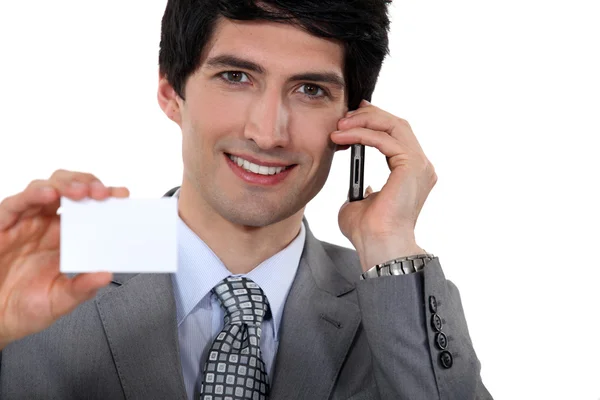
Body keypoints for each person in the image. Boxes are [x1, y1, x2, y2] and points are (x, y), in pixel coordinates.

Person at [0, 1, 492, 399]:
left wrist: (389, 241)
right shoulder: (51, 263)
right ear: (172, 93)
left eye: (311, 89)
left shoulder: (395, 299)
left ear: (355, 124)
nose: (268, 132)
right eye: (236, 77)